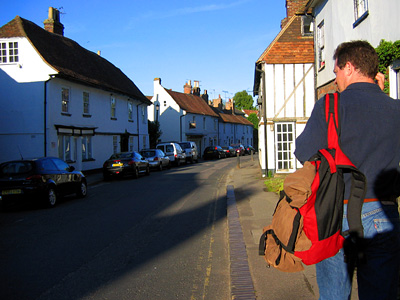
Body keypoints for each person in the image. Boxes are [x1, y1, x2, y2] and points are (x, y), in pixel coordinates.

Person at [294, 40, 400, 300]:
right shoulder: (396, 109)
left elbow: (303, 152)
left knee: (333, 296)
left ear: (349, 67)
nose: (336, 77)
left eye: (337, 71)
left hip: (334, 213)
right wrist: (382, 94)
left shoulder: (330, 106)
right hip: (382, 214)